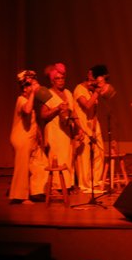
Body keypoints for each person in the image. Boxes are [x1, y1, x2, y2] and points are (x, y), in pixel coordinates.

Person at [73, 64, 116, 194]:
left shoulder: (92, 90)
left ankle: (95, 180)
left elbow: (98, 106)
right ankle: (85, 183)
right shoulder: (79, 89)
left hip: (93, 124)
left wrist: (102, 88)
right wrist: (97, 91)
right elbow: (87, 105)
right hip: (83, 125)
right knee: (85, 156)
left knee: (99, 152)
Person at [9, 70, 47, 203]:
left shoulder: (29, 100)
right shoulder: (21, 100)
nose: (35, 87)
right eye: (32, 85)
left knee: (40, 163)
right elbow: (27, 110)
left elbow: (32, 118)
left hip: (31, 137)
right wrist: (32, 94)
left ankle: (37, 191)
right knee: (22, 168)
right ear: (25, 88)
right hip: (22, 138)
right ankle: (19, 197)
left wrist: (39, 133)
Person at [38, 63, 78, 181]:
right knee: (56, 158)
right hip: (54, 131)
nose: (60, 81)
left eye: (62, 78)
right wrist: (57, 108)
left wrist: (78, 129)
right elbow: (43, 115)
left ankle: (68, 185)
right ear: (52, 81)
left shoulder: (68, 93)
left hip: (66, 131)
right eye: (57, 78)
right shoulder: (48, 94)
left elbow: (73, 112)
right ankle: (56, 185)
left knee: (68, 157)